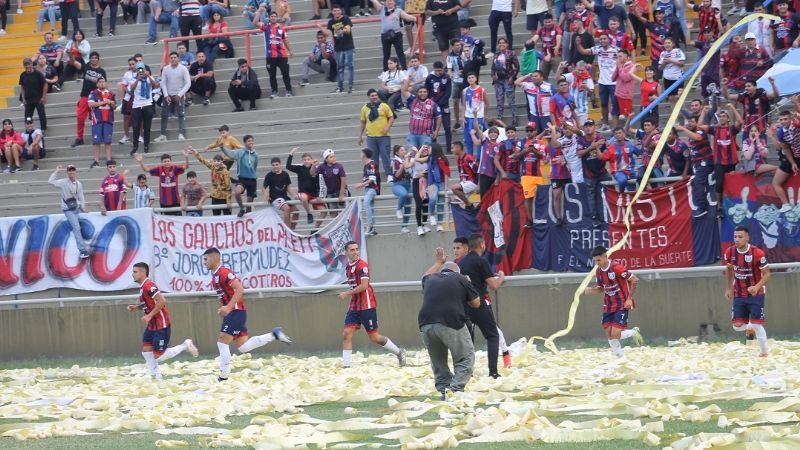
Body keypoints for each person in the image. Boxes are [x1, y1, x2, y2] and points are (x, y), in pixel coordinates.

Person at [202, 247, 293, 381]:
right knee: (243, 347)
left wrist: (228, 307)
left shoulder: (223, 273)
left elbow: (239, 289)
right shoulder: (216, 275)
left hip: (236, 312)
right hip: (234, 313)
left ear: (215, 258)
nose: (204, 262)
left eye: (206, 259)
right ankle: (273, 335)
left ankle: (223, 377)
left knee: (222, 342)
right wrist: (225, 308)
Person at [419, 248, 480, 399]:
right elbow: (476, 303)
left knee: (438, 361)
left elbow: (423, 276)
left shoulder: (431, 279)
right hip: (450, 321)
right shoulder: (461, 278)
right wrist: (467, 284)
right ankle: (456, 389)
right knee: (466, 357)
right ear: (457, 272)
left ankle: (444, 391)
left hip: (426, 323)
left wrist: (438, 262)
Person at [338, 241, 406, 368]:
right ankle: (346, 367)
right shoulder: (348, 267)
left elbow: (364, 286)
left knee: (374, 337)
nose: (355, 252)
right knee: (346, 334)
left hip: (367, 305)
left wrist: (347, 293)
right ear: (346, 253)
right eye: (352, 250)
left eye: (357, 249)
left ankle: (399, 352)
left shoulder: (362, 265)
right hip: (354, 305)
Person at [127, 262, 199, 380]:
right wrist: (137, 307)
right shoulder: (143, 287)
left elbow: (162, 300)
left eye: (135, 272)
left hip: (161, 324)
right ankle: (158, 378)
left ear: (143, 272)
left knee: (158, 356)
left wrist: (149, 315)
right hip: (152, 325)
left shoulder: (148, 285)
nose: (132, 274)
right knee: (146, 351)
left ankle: (185, 346)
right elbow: (149, 303)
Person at [583, 245, 643, 358]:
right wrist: (591, 291)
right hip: (608, 305)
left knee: (615, 334)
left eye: (598, 260)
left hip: (622, 303)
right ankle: (621, 359)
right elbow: (601, 289)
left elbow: (634, 280)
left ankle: (634, 332)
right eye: (595, 261)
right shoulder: (598, 272)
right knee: (609, 335)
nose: (597, 263)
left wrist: (629, 299)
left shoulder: (616, 267)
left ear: (605, 257)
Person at [724, 226, 771, 357]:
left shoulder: (757, 253)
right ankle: (749, 326)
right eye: (735, 237)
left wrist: (756, 287)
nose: (737, 239)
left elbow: (767, 274)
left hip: (756, 293)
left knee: (757, 324)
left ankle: (764, 352)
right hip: (739, 292)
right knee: (737, 325)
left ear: (747, 238)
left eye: (740, 237)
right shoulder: (730, 252)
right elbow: (729, 270)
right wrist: (728, 288)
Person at [697, 104, 742, 218]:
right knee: (719, 184)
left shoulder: (731, 129)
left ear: (727, 119)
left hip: (731, 162)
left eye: (724, 116)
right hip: (718, 162)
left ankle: (733, 203)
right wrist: (703, 112)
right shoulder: (714, 129)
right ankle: (719, 207)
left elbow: (740, 121)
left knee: (732, 183)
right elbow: (699, 126)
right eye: (720, 116)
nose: (721, 118)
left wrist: (733, 108)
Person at [576, 33, 618, 131]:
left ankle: (615, 127)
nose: (602, 40)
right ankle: (605, 124)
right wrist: (578, 44)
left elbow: (624, 58)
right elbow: (584, 51)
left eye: (604, 38)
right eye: (601, 39)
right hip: (602, 82)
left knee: (615, 105)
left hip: (614, 82)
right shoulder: (598, 49)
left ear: (609, 39)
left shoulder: (616, 49)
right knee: (603, 104)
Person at [49, 165, 91, 259]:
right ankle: (82, 250)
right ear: (67, 172)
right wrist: (56, 171)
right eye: (69, 171)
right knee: (76, 227)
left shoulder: (79, 184)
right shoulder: (63, 182)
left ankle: (87, 247)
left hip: (76, 207)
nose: (71, 172)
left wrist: (83, 208)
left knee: (82, 227)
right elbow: (50, 181)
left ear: (75, 171)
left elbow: (81, 197)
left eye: (73, 170)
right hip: (68, 209)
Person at [674, 117, 713, 218]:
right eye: (688, 122)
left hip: (705, 163)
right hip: (697, 165)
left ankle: (702, 207)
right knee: (697, 183)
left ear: (697, 123)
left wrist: (683, 129)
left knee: (698, 182)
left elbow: (698, 138)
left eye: (692, 121)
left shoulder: (700, 131)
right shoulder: (690, 135)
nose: (689, 124)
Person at [767, 104, 800, 213]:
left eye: (785, 119)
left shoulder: (796, 123)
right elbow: (785, 149)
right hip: (794, 157)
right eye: (781, 120)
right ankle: (786, 204)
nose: (783, 121)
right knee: (776, 182)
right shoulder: (781, 132)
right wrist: (792, 163)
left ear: (790, 119)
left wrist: (796, 104)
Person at [255, 7, 294, 98]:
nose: (273, 18)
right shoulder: (266, 27)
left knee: (285, 73)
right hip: (270, 56)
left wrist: (290, 50)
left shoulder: (282, 28)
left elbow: (285, 40)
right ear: (269, 18)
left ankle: (289, 91)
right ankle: (274, 92)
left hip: (282, 55)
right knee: (272, 75)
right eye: (271, 16)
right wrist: (259, 12)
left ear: (277, 18)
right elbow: (255, 23)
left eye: (275, 16)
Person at [136, 151, 190, 215]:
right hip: (164, 201)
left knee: (177, 220)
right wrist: (140, 161)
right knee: (166, 221)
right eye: (165, 161)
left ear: (171, 162)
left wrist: (186, 157)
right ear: (162, 163)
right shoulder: (159, 169)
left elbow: (186, 167)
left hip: (175, 200)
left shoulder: (175, 168)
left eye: (168, 161)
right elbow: (146, 169)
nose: (167, 163)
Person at [72, 52, 107, 149]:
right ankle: (80, 138)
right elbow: (75, 63)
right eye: (92, 57)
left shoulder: (101, 71)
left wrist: (103, 97)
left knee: (95, 120)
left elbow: (104, 85)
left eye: (96, 57)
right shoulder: (86, 67)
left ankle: (96, 138)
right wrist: (70, 55)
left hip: (96, 97)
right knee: (80, 117)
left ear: (98, 59)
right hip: (84, 96)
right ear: (90, 59)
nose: (94, 59)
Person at [155, 52, 191, 143]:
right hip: (168, 95)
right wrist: (166, 95)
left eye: (175, 57)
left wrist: (180, 94)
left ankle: (181, 133)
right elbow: (163, 82)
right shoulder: (166, 69)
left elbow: (188, 83)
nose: (173, 59)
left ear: (178, 58)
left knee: (181, 114)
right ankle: (163, 135)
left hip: (179, 95)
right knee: (164, 115)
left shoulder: (183, 69)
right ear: (170, 59)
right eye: (172, 58)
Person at [359, 89, 395, 179]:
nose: (374, 97)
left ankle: (389, 174)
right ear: (368, 97)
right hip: (371, 136)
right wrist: (360, 135)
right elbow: (363, 122)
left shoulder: (384, 106)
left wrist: (387, 127)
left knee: (385, 155)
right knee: (373, 156)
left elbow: (391, 117)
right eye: (372, 95)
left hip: (384, 136)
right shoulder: (364, 108)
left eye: (375, 95)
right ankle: (375, 174)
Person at [220, 134, 259, 217]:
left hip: (252, 180)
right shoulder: (240, 152)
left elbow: (255, 166)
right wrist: (222, 147)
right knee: (237, 192)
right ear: (245, 143)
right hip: (242, 179)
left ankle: (248, 225)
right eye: (249, 141)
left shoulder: (256, 154)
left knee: (249, 205)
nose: (251, 142)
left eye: (252, 140)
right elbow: (230, 153)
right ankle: (241, 208)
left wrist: (253, 174)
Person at [320, 5, 355, 94]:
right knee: (340, 68)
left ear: (341, 11)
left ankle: (350, 86)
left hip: (348, 47)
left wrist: (342, 31)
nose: (336, 12)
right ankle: (340, 87)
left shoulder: (345, 19)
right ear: (332, 12)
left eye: (338, 10)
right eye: (334, 11)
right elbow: (328, 33)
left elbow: (348, 29)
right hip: (338, 48)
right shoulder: (331, 22)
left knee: (350, 67)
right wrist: (320, 27)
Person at [517, 123, 546, 227]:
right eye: (527, 130)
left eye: (531, 130)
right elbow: (516, 156)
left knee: (540, 198)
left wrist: (533, 149)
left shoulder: (541, 142)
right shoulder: (521, 142)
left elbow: (542, 156)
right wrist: (525, 151)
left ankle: (541, 218)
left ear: (535, 131)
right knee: (528, 198)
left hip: (538, 175)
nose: (529, 132)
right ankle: (530, 220)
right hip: (526, 175)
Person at [287, 147, 324, 227]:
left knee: (324, 211)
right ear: (302, 161)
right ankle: (309, 214)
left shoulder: (316, 169)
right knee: (303, 197)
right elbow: (288, 166)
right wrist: (291, 154)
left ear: (311, 160)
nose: (306, 161)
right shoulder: (300, 168)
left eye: (308, 159)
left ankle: (314, 229)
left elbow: (319, 183)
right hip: (304, 194)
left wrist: (318, 195)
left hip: (314, 195)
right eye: (304, 160)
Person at [189, 146, 232, 215]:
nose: (216, 163)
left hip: (224, 198)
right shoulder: (212, 167)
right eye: (215, 161)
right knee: (216, 217)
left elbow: (228, 187)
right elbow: (202, 160)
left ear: (222, 161)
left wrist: (228, 200)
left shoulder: (225, 172)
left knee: (227, 217)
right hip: (214, 197)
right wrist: (194, 151)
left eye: (218, 161)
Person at [129, 62, 159, 155]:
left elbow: (156, 86)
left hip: (148, 104)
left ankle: (146, 145)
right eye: (139, 69)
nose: (141, 71)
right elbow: (131, 88)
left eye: (142, 69)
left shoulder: (149, 77)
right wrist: (138, 79)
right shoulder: (133, 78)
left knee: (147, 127)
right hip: (137, 105)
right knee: (136, 127)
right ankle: (135, 146)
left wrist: (149, 76)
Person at [402, 85, 443, 150]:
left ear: (427, 93)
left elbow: (439, 117)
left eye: (424, 92)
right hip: (413, 134)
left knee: (425, 155)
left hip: (426, 135)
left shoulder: (433, 104)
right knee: (411, 155)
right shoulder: (413, 100)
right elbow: (404, 91)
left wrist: (436, 131)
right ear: (417, 93)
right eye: (420, 92)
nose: (422, 93)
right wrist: (409, 78)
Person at [426, 61, 453, 153]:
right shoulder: (429, 78)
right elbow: (427, 91)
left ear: (443, 69)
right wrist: (432, 104)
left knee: (447, 127)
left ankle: (449, 149)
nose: (438, 72)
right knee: (433, 128)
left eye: (440, 70)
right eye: (436, 70)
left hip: (444, 106)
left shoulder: (446, 77)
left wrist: (440, 103)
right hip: (433, 106)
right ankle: (434, 149)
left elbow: (448, 93)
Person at [88, 76, 116, 166]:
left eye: (103, 82)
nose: (102, 83)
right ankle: (96, 161)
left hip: (108, 120)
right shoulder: (93, 93)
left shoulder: (111, 94)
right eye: (100, 82)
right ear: (97, 84)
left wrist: (111, 103)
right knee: (97, 142)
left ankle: (109, 161)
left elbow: (114, 107)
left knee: (108, 141)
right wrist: (103, 102)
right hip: (97, 120)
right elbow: (90, 104)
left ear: (106, 83)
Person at [262, 156, 297, 229]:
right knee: (287, 209)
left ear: (280, 165)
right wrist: (266, 195)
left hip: (284, 197)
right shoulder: (269, 175)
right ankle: (287, 231)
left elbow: (288, 187)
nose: (275, 166)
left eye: (277, 164)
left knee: (296, 211)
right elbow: (263, 188)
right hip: (275, 198)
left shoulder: (285, 174)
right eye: (273, 165)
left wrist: (295, 195)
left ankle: (292, 230)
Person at [312, 148, 348, 219]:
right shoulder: (322, 167)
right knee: (333, 212)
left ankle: (343, 228)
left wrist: (341, 193)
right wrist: (313, 165)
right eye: (331, 157)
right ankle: (335, 228)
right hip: (330, 192)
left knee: (342, 211)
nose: (334, 158)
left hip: (340, 191)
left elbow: (343, 180)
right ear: (326, 159)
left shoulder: (339, 166)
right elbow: (313, 174)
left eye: (334, 156)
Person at [491, 37, 519, 127]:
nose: (502, 44)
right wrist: (493, 75)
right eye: (500, 43)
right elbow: (493, 67)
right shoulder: (496, 54)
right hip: (498, 81)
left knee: (511, 100)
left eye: (503, 43)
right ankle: (499, 119)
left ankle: (515, 118)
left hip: (508, 79)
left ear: (507, 44)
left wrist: (512, 77)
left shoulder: (511, 53)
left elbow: (517, 67)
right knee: (499, 100)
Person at [355, 148, 380, 235]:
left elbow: (372, 179)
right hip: (368, 189)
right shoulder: (366, 165)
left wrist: (360, 185)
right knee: (370, 207)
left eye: (361, 153)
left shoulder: (371, 164)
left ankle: (370, 225)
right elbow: (367, 178)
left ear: (364, 154)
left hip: (372, 188)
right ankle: (373, 229)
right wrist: (362, 184)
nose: (360, 155)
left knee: (366, 203)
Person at [19, 58, 48, 133]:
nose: (27, 66)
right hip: (28, 99)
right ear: (24, 66)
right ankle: (29, 129)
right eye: (25, 64)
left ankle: (43, 129)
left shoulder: (38, 73)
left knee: (41, 114)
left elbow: (45, 84)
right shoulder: (22, 75)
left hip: (38, 98)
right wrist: (23, 98)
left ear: (32, 64)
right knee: (27, 116)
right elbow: (22, 87)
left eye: (28, 64)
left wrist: (44, 97)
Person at [391, 145, 414, 233]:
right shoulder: (395, 161)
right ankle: (398, 209)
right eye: (402, 150)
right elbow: (397, 175)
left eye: (404, 150)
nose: (404, 151)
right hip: (398, 184)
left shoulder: (407, 159)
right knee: (403, 194)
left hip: (408, 184)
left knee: (408, 206)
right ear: (397, 152)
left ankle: (404, 226)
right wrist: (403, 165)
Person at [657, 38, 685, 109]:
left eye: (669, 43)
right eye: (665, 43)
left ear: (673, 44)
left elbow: (682, 63)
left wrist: (670, 60)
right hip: (667, 78)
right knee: (671, 98)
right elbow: (660, 68)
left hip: (678, 77)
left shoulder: (678, 51)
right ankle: (674, 118)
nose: (667, 44)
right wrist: (664, 63)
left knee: (678, 97)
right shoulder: (663, 53)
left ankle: (685, 117)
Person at [450, 141, 478, 208]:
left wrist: (479, 185)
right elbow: (462, 173)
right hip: (465, 183)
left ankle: (468, 204)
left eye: (452, 148)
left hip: (473, 182)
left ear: (458, 148)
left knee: (453, 188)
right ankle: (468, 206)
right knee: (454, 200)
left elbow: (478, 171)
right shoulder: (458, 158)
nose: (451, 150)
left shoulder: (468, 158)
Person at [411, 145, 431, 235]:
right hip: (416, 183)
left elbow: (429, 172)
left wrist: (423, 174)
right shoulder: (414, 159)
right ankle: (419, 226)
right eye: (423, 149)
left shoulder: (429, 159)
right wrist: (420, 149)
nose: (425, 150)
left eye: (427, 149)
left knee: (425, 204)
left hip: (426, 182)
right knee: (419, 205)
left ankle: (424, 225)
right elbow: (414, 160)